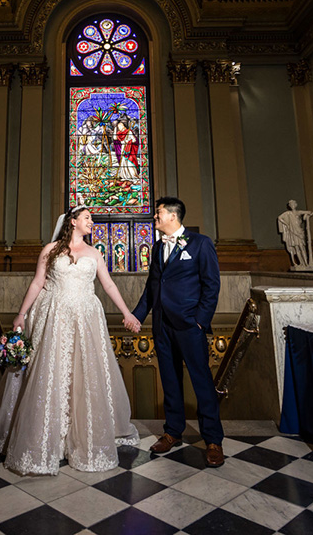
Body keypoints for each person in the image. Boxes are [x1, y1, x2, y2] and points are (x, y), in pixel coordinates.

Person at [0, 205, 140, 475]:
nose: (91, 222)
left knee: (84, 374)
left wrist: (127, 313)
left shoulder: (94, 253)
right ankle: (48, 438)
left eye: (91, 218)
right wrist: (21, 314)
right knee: (52, 372)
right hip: (55, 318)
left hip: (85, 319)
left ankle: (80, 436)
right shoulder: (50, 250)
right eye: (87, 218)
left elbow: (108, 285)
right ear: (72, 221)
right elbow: (37, 283)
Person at [130, 197, 225, 466]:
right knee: (170, 381)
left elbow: (212, 285)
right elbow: (152, 287)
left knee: (202, 382)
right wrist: (137, 316)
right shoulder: (158, 246)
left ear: (173, 216)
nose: (155, 217)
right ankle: (172, 431)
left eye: (158, 212)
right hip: (162, 326)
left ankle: (213, 440)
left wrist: (200, 321)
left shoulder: (201, 243)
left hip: (189, 326)